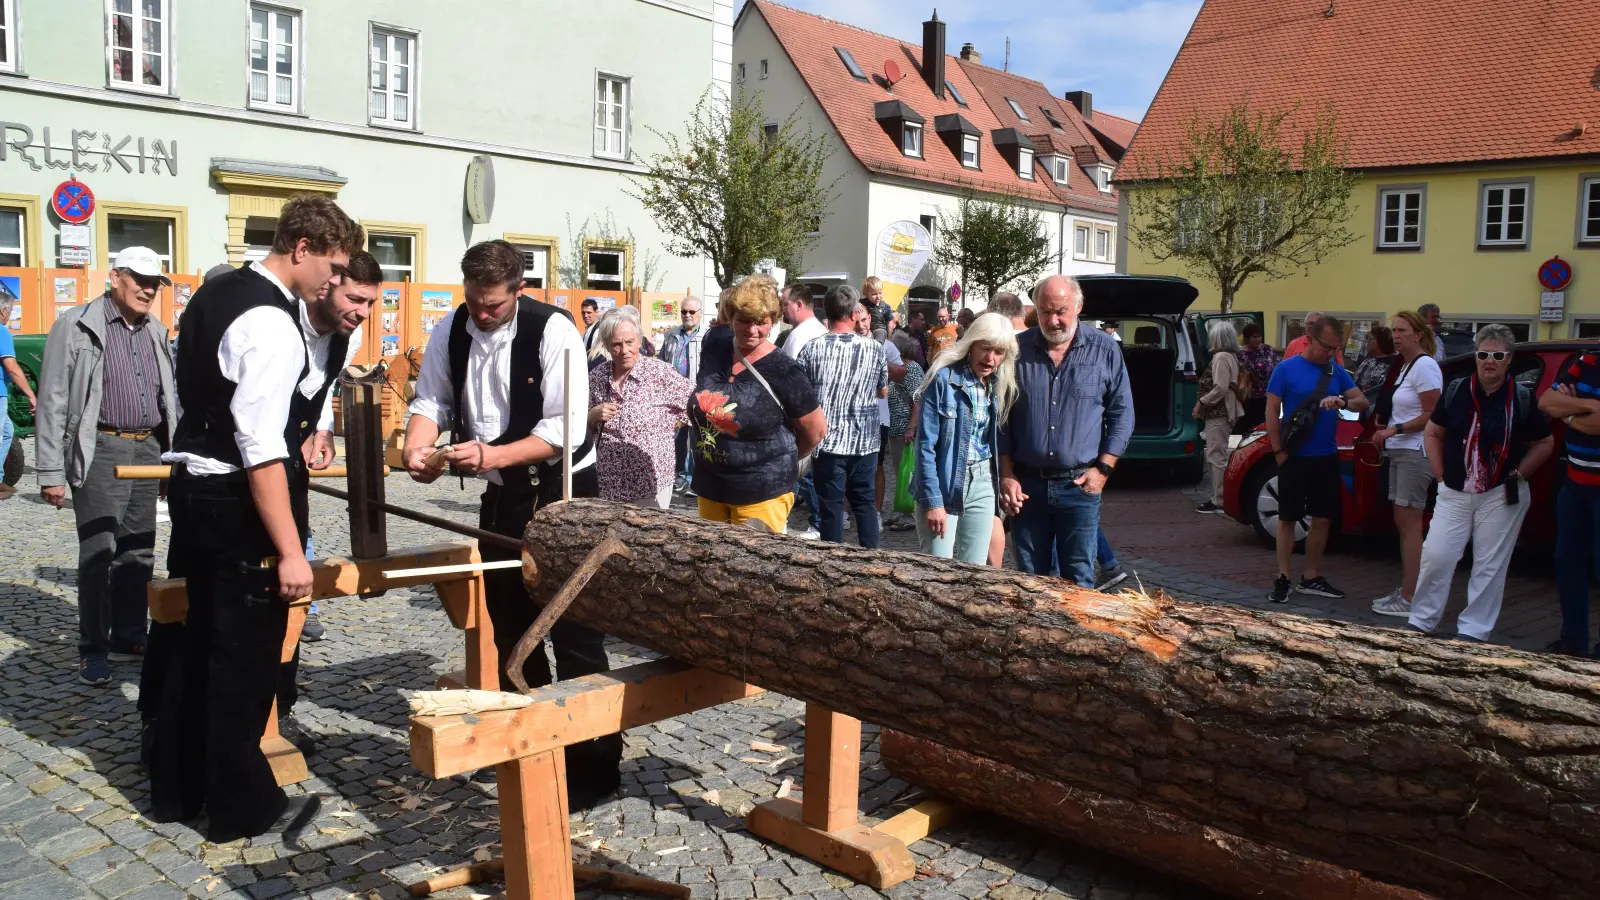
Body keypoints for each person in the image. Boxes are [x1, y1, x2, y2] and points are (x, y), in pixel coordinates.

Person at [147, 196, 363, 840]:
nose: (334, 279)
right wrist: (292, 549)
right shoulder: (269, 321)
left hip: (196, 493)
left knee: (194, 642)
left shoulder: (216, 293)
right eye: (332, 264)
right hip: (235, 504)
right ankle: (242, 806)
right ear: (301, 248)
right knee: (242, 661)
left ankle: (176, 790)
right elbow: (262, 449)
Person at [404, 239, 621, 811]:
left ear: (518, 291)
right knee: (510, 633)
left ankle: (592, 770)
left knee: (575, 633)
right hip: (501, 501)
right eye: (474, 301)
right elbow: (431, 400)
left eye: (493, 305)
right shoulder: (452, 329)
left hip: (565, 496)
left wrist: (491, 456)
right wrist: (418, 447)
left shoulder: (554, 333)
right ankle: (529, 747)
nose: (481, 313)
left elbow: (566, 429)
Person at [34, 247, 174, 684]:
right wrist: (50, 471)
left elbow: (169, 396)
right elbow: (53, 400)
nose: (149, 289)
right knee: (99, 552)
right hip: (100, 450)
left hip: (148, 448)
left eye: (155, 283)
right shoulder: (75, 325)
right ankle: (92, 648)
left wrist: (171, 453)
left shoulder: (156, 329)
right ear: (116, 277)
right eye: (140, 279)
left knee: (139, 551)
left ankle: (129, 635)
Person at [1409, 326, 1552, 642]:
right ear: (1476, 357)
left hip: (1500, 494)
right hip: (1454, 491)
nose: (1489, 362)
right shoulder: (1457, 390)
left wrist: (1520, 473)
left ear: (1509, 359)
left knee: (1489, 567)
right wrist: (1440, 474)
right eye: (1483, 354)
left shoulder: (1523, 397)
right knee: (1436, 557)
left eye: (1497, 355)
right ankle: (1420, 622)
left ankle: (1474, 632)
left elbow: (1544, 442)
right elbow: (1433, 432)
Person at [998, 275, 1134, 586]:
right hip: (1027, 488)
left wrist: (1102, 470)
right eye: (1045, 312)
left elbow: (1122, 414)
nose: (1054, 320)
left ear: (1079, 307)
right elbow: (1002, 417)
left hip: (1079, 487)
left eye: (1061, 311)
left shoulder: (1104, 350)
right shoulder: (1017, 350)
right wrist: (1006, 473)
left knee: (1079, 582)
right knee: (1031, 583)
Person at [690, 275, 825, 532]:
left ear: (773, 321)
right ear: (730, 318)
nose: (752, 331)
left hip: (761, 492)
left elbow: (816, 430)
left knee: (752, 568)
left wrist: (776, 460)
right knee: (709, 566)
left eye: (761, 323)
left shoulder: (784, 370)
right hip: (710, 486)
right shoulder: (714, 347)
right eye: (744, 320)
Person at [1264, 315, 1370, 603]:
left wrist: (1343, 402)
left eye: (1335, 348)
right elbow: (1272, 411)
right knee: (1288, 518)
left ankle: (1310, 576)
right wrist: (1279, 452)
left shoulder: (1336, 372)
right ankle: (1283, 577)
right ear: (1310, 338)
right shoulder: (1286, 369)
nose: (1330, 354)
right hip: (1294, 456)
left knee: (1322, 519)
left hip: (1326, 457)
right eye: (1326, 347)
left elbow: (1362, 401)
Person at [913, 313, 1017, 562]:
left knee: (975, 573)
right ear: (971, 344)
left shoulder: (997, 385)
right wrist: (933, 501)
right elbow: (925, 447)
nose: (991, 358)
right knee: (937, 571)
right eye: (985, 348)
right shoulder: (943, 380)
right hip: (944, 481)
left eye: (999, 352)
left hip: (982, 483)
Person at [800, 286, 888, 547]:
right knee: (865, 502)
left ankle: (832, 565)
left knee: (831, 507)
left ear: (826, 314)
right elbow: (882, 391)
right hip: (865, 442)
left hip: (827, 440)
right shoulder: (874, 349)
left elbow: (802, 396)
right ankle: (872, 562)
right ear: (853, 314)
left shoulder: (811, 349)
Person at [1368, 311, 1442, 618]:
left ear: (1418, 334)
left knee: (1411, 526)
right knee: (1403, 525)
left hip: (1414, 451)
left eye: (1402, 330)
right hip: (1399, 451)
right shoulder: (1406, 366)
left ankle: (1413, 597)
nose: (1396, 335)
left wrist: (1394, 430)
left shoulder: (1425, 365)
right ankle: (1408, 589)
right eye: (1394, 330)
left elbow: (1433, 414)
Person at [588, 307, 691, 509]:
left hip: (650, 487)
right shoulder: (598, 377)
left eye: (630, 342)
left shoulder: (660, 374)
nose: (624, 350)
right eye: (617, 344)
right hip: (608, 484)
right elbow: (579, 427)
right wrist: (592, 416)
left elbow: (696, 408)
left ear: (639, 341)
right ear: (608, 346)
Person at [1539, 344, 1600, 656]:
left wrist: (1571, 412)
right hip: (1575, 483)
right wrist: (1582, 410)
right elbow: (1547, 401)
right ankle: (1573, 641)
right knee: (1567, 563)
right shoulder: (1587, 359)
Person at [780, 284, 827, 538]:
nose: (783, 310)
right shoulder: (820, 330)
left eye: (785, 304)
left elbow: (786, 378)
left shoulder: (798, 336)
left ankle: (817, 522)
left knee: (805, 471)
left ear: (798, 304)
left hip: (801, 414)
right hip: (816, 411)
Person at [1195, 320, 1244, 515]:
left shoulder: (1221, 357)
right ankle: (1220, 497)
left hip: (1219, 412)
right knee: (1219, 455)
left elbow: (1220, 387)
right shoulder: (1231, 356)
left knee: (1216, 457)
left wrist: (1201, 402)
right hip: (1226, 410)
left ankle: (1220, 500)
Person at [661, 297, 707, 494]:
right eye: (684, 312)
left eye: (692, 312)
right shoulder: (671, 334)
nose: (687, 315)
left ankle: (696, 477)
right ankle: (679, 475)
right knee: (677, 437)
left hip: (698, 393)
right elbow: (663, 361)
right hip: (674, 394)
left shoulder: (707, 335)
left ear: (700, 313)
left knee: (697, 436)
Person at [883, 331, 923, 531]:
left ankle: (910, 514)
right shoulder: (899, 368)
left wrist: (911, 427)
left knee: (907, 471)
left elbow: (918, 399)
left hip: (905, 431)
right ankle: (902, 510)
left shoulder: (912, 369)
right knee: (900, 470)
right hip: (895, 428)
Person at [0, 293, 38, 499]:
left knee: (6, 432)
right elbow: (12, 367)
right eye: (10, 310)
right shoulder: (1, 332)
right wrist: (31, 395)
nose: (9, 315)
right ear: (3, 311)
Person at [874, 325, 908, 521]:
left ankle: (877, 512)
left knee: (879, 466)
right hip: (853, 416)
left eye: (866, 321)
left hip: (882, 418)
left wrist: (876, 358)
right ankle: (846, 511)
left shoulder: (886, 347)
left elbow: (901, 375)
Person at [1235, 322, 1278, 432]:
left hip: (1266, 396)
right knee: (1247, 428)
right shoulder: (1240, 354)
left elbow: (1276, 368)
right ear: (1247, 338)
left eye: (1259, 336)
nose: (1258, 339)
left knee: (1264, 428)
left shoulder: (1268, 350)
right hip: (1248, 398)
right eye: (1254, 337)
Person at [1352, 326, 1397, 398]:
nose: (1367, 341)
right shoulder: (1370, 356)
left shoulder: (1394, 363)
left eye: (1369, 339)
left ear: (1379, 342)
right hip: (1355, 401)